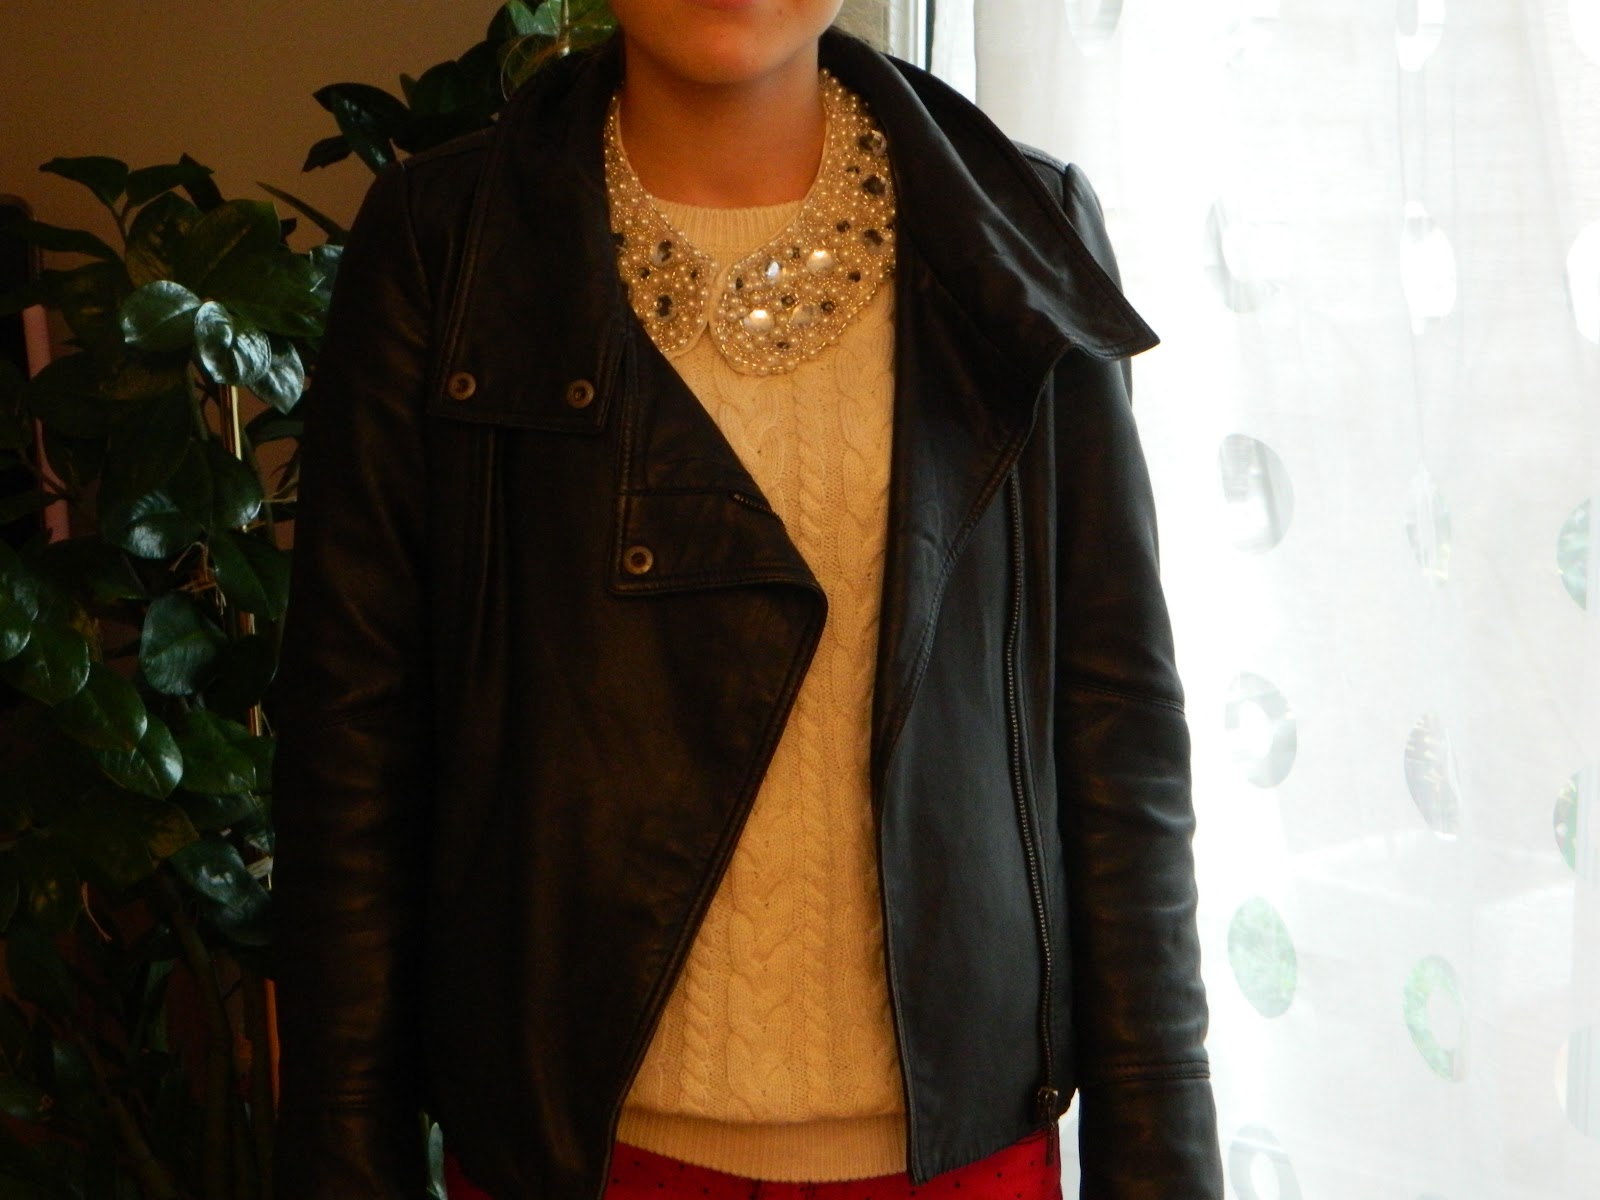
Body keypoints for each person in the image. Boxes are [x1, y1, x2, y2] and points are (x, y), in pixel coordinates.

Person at [270, 2, 1223, 1198]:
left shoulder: (1018, 229)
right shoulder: (445, 241)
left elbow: (1116, 728)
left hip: (961, 1158)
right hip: (577, 1156)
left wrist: (1160, 1152)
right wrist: (343, 1149)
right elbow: (351, 743)